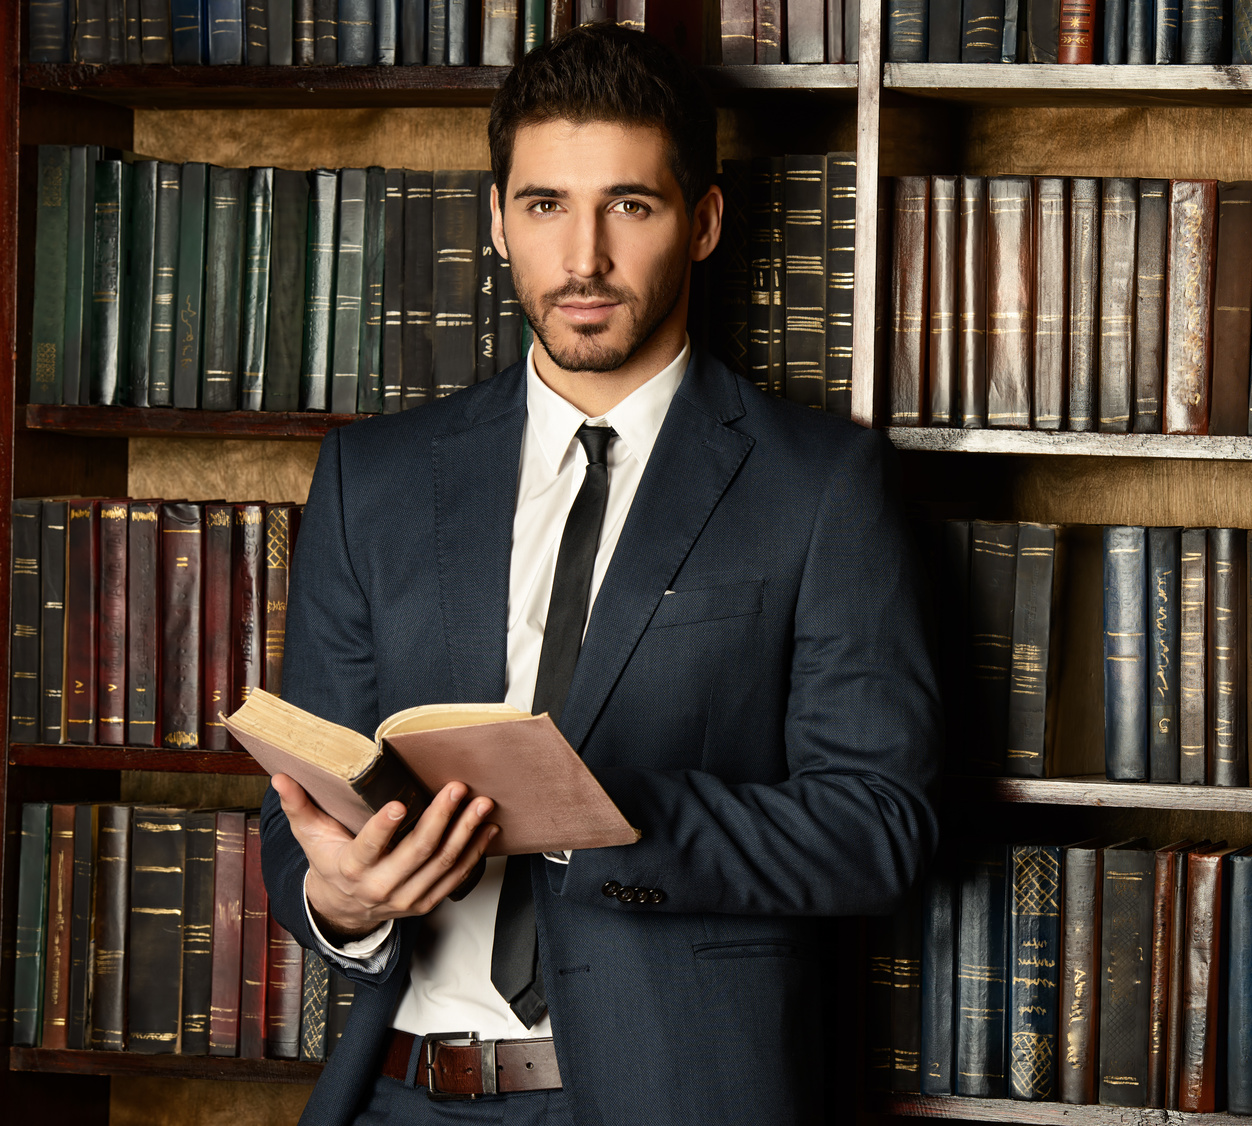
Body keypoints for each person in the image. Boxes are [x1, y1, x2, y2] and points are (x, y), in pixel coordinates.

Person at [259, 24, 941, 1126]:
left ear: (703, 221)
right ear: (496, 219)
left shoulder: (820, 486)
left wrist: (599, 809)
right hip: (399, 1097)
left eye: (630, 204)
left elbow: (879, 827)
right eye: (543, 206)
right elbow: (299, 816)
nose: (583, 258)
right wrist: (337, 901)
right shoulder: (368, 480)